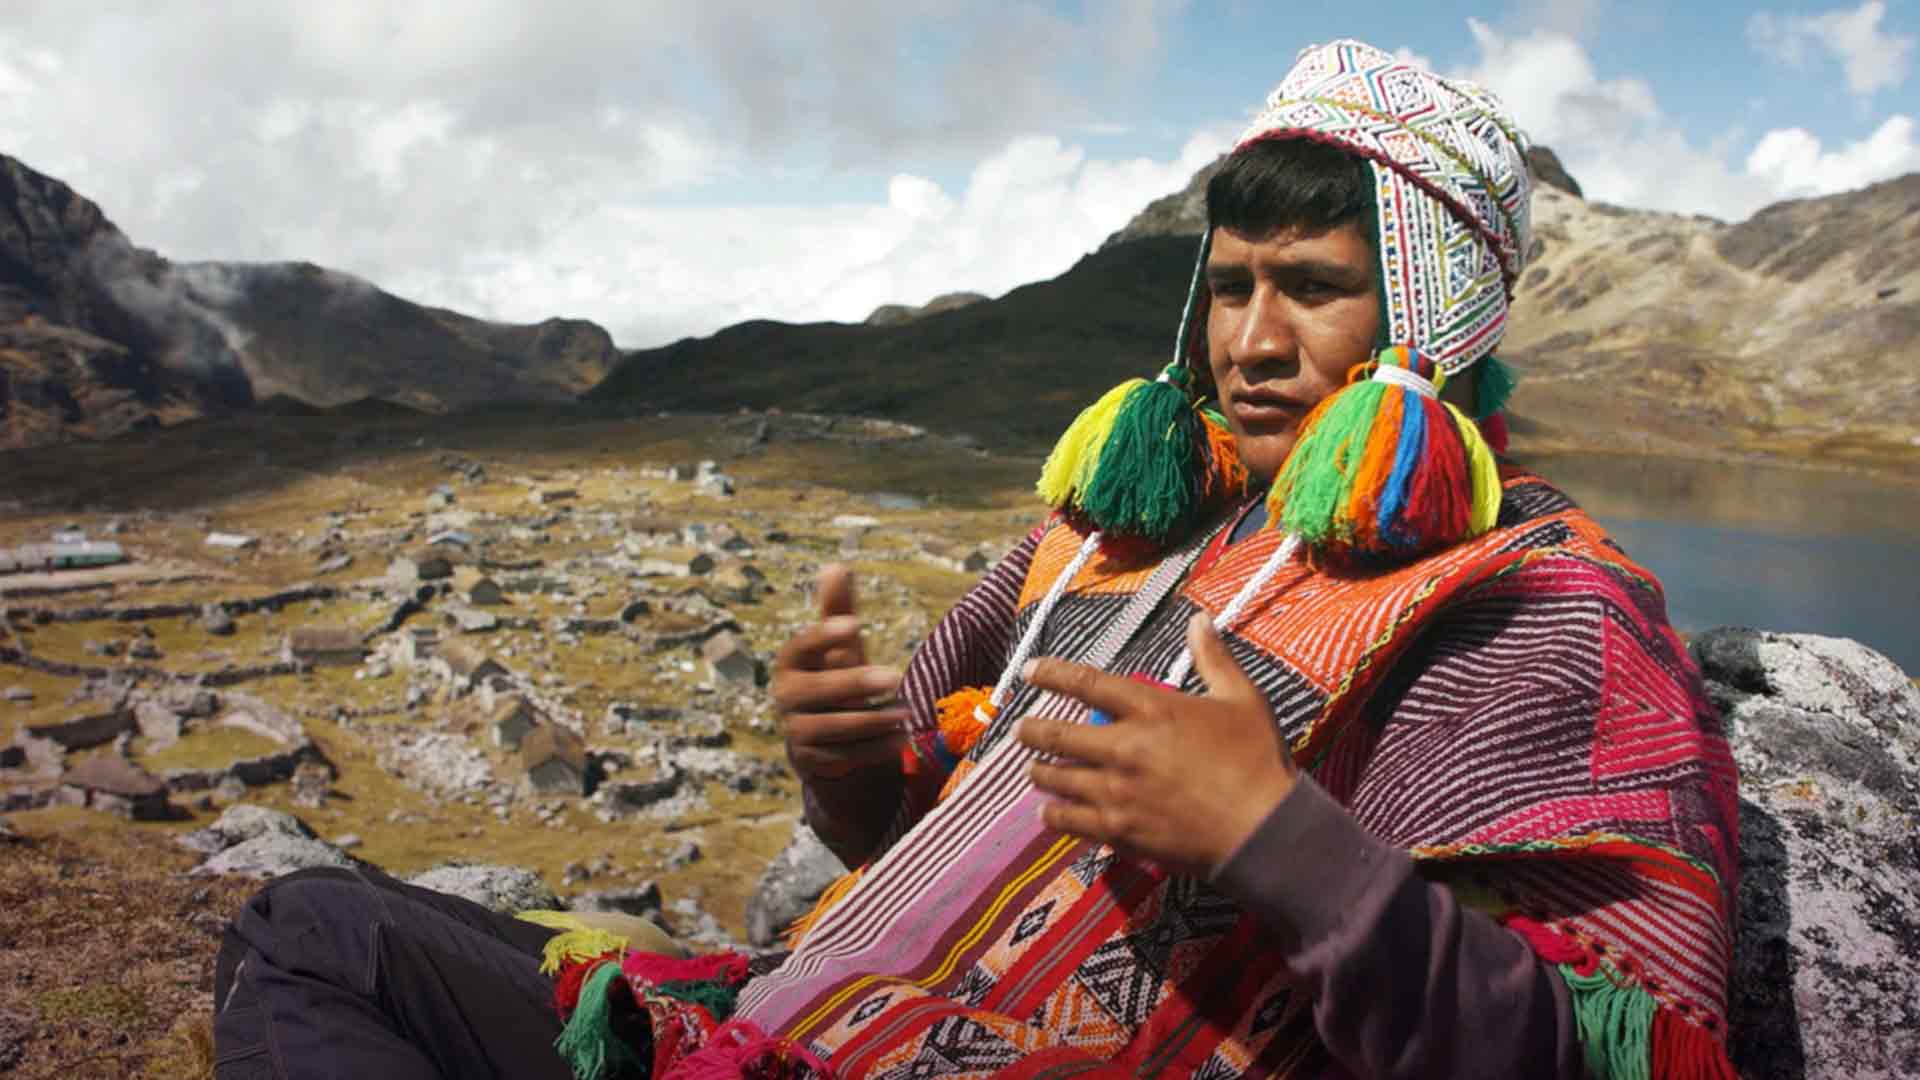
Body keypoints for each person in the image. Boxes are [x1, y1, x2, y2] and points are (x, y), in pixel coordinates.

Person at [213, 40, 1739, 1079]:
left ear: (1437, 313)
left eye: (1320, 292)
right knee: (310, 932)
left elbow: (1608, 1048)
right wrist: (844, 773)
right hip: (800, 1027)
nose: (1256, 344)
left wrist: (1276, 839)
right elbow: (923, 843)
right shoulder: (1129, 526)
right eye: (1233, 288)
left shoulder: (1534, 604)